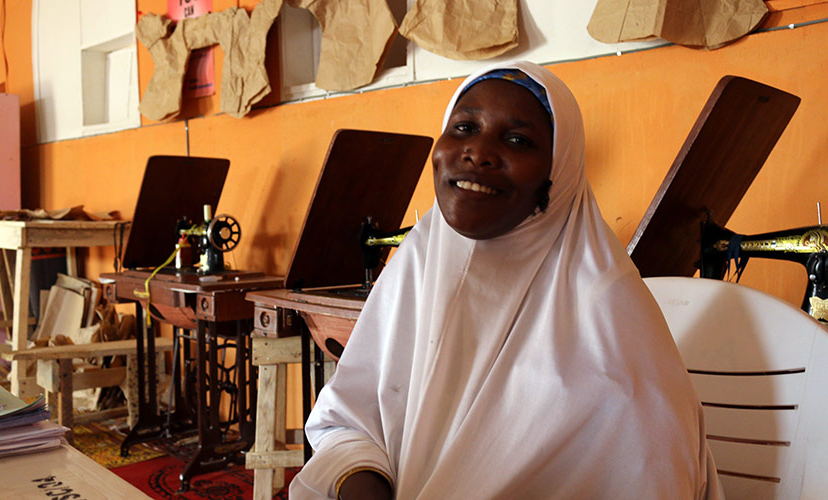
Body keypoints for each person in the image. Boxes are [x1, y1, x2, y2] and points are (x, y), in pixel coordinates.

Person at [289, 60, 722, 500]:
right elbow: (350, 421)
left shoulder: (607, 314)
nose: (477, 152)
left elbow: (650, 473)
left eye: (517, 139)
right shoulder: (419, 259)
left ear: (558, 172)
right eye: (463, 128)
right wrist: (364, 482)